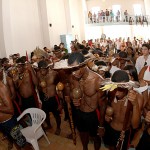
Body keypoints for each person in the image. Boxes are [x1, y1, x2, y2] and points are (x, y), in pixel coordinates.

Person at [67, 52, 107, 150]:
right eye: (72, 69)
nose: (74, 72)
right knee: (82, 133)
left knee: (96, 137)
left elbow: (103, 105)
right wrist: (73, 99)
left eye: (76, 68)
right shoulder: (73, 78)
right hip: (79, 112)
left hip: (93, 114)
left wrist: (101, 126)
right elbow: (71, 93)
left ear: (84, 65)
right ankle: (85, 148)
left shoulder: (98, 81)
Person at [102, 70, 141, 150]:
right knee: (111, 147)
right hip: (111, 128)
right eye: (115, 88)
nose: (117, 93)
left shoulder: (137, 97)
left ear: (127, 86)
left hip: (124, 132)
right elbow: (106, 107)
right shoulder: (111, 93)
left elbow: (135, 126)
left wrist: (135, 105)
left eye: (121, 89)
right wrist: (107, 116)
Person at [0, 80, 31, 150]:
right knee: (15, 141)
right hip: (1, 124)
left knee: (23, 144)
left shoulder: (1, 87)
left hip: (9, 123)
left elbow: (11, 110)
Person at [37, 60, 62, 135]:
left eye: (43, 70)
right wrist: (42, 90)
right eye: (40, 70)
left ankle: (58, 127)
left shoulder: (54, 74)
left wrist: (61, 102)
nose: (42, 72)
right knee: (45, 113)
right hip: (44, 98)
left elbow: (60, 87)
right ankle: (49, 125)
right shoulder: (38, 74)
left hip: (54, 98)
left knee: (56, 114)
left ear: (47, 68)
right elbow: (38, 86)